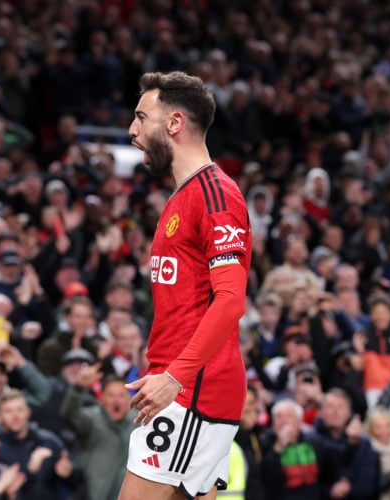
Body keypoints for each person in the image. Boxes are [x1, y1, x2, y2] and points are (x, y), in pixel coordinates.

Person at [119, 71, 251, 500]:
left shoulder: (216, 195)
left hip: (192, 393)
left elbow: (231, 301)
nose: (132, 129)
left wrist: (174, 378)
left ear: (174, 123)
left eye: (142, 117)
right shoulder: (182, 197)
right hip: (186, 389)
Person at [62, 368, 136, 500]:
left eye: (121, 395)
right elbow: (70, 415)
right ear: (101, 399)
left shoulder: (138, 422)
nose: (116, 401)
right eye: (111, 395)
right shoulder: (92, 419)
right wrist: (78, 389)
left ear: (129, 399)